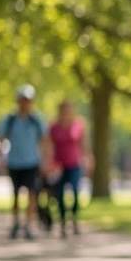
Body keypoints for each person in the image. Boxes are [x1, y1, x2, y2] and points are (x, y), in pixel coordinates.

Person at [0, 84, 47, 240]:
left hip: (31, 162)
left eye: (28, 100)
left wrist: (45, 160)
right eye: (23, 100)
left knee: (32, 194)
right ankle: (15, 223)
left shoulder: (36, 120)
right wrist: (1, 158)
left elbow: (44, 140)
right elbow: (2, 138)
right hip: (14, 162)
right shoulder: (11, 120)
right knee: (16, 195)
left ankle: (29, 225)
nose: (25, 103)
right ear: (18, 101)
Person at [48, 100, 90, 237]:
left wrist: (88, 158)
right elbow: (48, 146)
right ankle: (62, 223)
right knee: (59, 195)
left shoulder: (78, 125)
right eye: (64, 110)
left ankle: (75, 219)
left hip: (74, 164)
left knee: (75, 192)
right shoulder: (54, 127)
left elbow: (83, 144)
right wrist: (48, 163)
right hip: (59, 165)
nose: (66, 113)